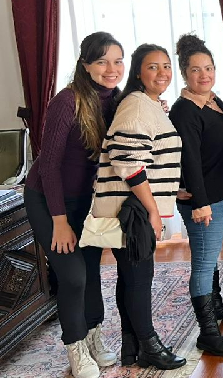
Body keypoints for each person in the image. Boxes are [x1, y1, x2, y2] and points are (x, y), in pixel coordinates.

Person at [23, 32, 122, 378]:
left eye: (117, 61)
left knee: (91, 271)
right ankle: (75, 346)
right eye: (102, 61)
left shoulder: (118, 100)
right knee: (74, 276)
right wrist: (60, 221)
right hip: (48, 199)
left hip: (87, 201)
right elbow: (49, 166)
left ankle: (93, 334)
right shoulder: (67, 101)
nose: (111, 69)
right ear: (85, 65)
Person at [92, 43, 186, 369]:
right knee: (139, 277)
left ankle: (131, 346)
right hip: (132, 209)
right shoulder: (135, 106)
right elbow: (129, 161)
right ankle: (149, 345)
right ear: (138, 73)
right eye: (152, 67)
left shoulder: (146, 104)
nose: (162, 73)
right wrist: (153, 210)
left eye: (166, 66)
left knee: (130, 275)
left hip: (133, 206)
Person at [169, 34, 223, 357]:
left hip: (222, 195)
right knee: (202, 263)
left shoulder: (213, 101)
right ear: (184, 73)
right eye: (196, 70)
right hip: (204, 201)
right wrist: (199, 203)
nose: (204, 75)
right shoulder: (184, 110)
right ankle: (208, 333)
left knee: (210, 256)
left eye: (209, 68)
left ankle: (216, 305)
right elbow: (189, 160)